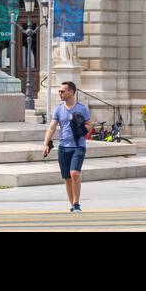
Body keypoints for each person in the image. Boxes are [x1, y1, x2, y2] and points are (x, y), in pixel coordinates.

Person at [40, 81, 91, 212]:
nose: (60, 93)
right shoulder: (58, 109)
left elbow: (89, 126)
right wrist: (45, 144)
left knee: (74, 173)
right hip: (63, 147)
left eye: (63, 91)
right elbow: (51, 127)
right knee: (67, 178)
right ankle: (72, 205)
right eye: (59, 91)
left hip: (78, 146)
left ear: (71, 92)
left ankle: (76, 203)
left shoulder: (82, 108)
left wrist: (81, 128)